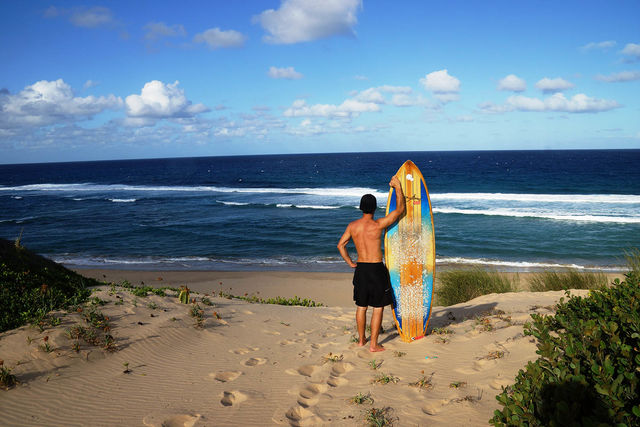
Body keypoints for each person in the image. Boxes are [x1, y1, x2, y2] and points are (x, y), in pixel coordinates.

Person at [337, 176, 405, 352]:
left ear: (361, 207)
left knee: (361, 307)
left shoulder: (353, 226)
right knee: (378, 308)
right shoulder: (378, 224)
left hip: (361, 269)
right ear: (375, 208)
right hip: (376, 269)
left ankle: (361, 340)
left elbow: (340, 245)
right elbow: (400, 210)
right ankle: (374, 344)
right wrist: (397, 187)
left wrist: (350, 262)